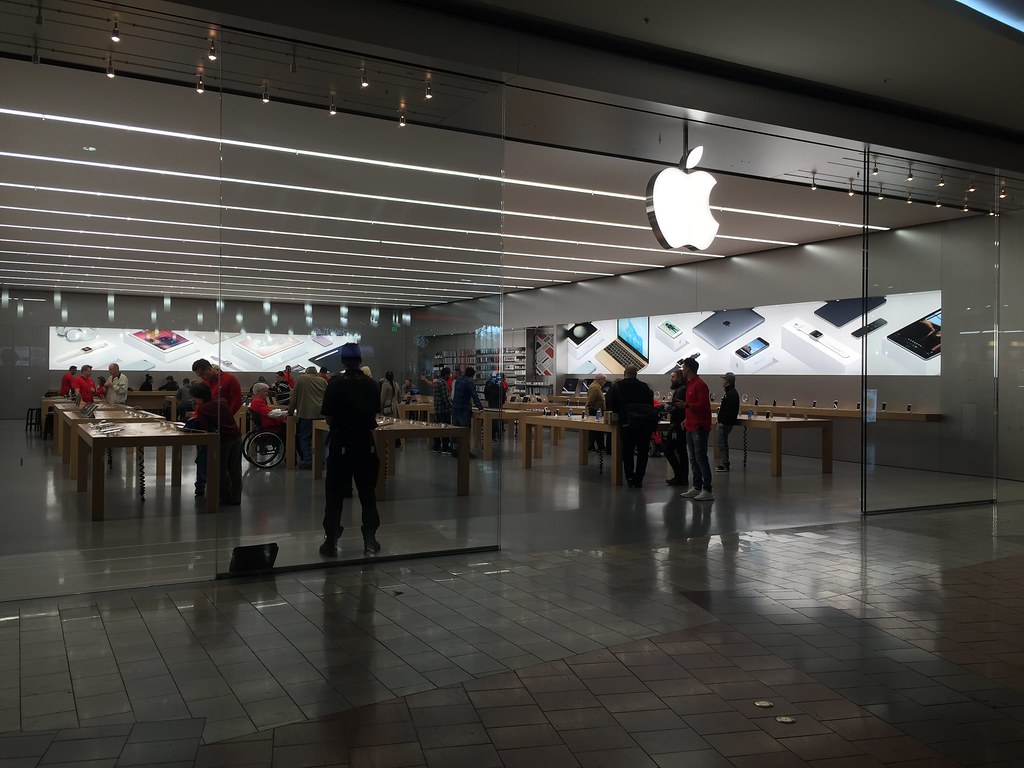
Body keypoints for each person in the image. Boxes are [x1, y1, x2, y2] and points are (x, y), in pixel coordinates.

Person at [320, 343, 381, 557]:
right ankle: (370, 539)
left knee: (334, 494)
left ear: (342, 361)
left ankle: (331, 540)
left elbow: (329, 418)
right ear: (360, 360)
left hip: (341, 442)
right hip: (365, 442)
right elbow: (374, 414)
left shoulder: (335, 383)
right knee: (367, 493)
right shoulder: (371, 384)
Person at [191, 359, 242, 496]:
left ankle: (227, 496)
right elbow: (199, 405)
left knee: (227, 467)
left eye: (203, 374)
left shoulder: (230, 379)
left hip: (224, 428)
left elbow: (237, 400)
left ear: (209, 368)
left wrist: (225, 416)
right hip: (216, 427)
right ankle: (203, 487)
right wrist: (195, 417)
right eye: (200, 376)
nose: (203, 378)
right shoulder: (205, 384)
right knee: (207, 460)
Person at [606, 366, 656, 488]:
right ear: (636, 374)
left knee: (628, 451)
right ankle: (639, 478)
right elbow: (650, 403)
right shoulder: (644, 386)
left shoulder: (618, 386)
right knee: (643, 452)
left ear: (624, 373)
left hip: (627, 423)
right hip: (644, 424)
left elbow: (611, 403)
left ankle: (629, 477)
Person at [679, 357, 714, 501]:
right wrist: (686, 419)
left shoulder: (700, 385)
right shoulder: (690, 384)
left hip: (699, 427)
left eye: (683, 367)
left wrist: (687, 406)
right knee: (693, 458)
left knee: (700, 457)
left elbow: (703, 405)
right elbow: (694, 406)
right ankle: (697, 486)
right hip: (691, 425)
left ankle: (707, 489)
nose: (682, 370)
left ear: (688, 368)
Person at [289, 366, 329, 469]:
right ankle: (321, 461)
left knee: (304, 437)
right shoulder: (323, 381)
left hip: (306, 413)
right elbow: (328, 397)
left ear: (306, 372)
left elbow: (294, 397)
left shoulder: (301, 379)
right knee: (322, 439)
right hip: (321, 414)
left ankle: (308, 461)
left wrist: (290, 412)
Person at [663, 369, 689, 487]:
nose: (671, 379)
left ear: (679, 378)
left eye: (673, 377)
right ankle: (682, 477)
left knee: (669, 449)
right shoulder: (683, 389)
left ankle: (680, 476)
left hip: (677, 425)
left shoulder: (680, 390)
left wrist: (668, 408)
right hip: (680, 425)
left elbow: (678, 408)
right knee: (681, 451)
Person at [451, 366, 483, 456]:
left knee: (455, 431)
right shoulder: (469, 382)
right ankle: (465, 452)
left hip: (455, 409)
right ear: (472, 375)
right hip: (464, 410)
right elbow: (474, 395)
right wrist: (480, 407)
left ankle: (454, 450)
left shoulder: (458, 381)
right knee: (465, 432)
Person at [716, 372, 740, 473]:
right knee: (723, 443)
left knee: (722, 444)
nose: (723, 381)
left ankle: (724, 464)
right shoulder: (731, 392)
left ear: (727, 382)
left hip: (725, 423)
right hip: (725, 422)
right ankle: (724, 463)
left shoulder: (731, 394)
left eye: (724, 380)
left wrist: (722, 421)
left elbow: (729, 410)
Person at [585, 374, 610, 452]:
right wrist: (588, 410)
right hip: (595, 411)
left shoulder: (596, 386)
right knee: (594, 430)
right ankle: (590, 446)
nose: (605, 382)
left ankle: (600, 446)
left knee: (598, 430)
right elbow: (590, 400)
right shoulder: (595, 388)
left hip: (596, 411)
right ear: (600, 380)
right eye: (604, 380)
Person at [431, 366, 453, 454]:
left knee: (437, 429)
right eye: (449, 374)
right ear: (446, 374)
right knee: (445, 429)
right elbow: (445, 398)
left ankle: (437, 446)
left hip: (437, 409)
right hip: (443, 410)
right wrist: (451, 408)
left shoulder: (436, 382)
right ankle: (445, 447)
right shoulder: (443, 383)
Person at [483, 373, 505, 440]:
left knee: (492, 419)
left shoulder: (489, 383)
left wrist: (488, 399)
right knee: (496, 419)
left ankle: (492, 434)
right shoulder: (499, 384)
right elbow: (503, 393)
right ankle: (494, 434)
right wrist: (502, 401)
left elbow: (485, 392)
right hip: (497, 403)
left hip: (491, 402)